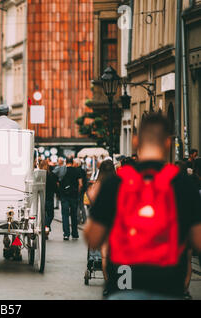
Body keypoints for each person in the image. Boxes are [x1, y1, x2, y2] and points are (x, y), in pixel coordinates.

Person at [84, 113, 201, 300]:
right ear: (168, 143)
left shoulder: (116, 183)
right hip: (169, 286)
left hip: (124, 284)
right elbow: (198, 240)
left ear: (136, 141)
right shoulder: (183, 184)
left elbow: (94, 238)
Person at [85, 159, 116, 296]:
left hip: (103, 225)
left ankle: (108, 283)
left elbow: (89, 200)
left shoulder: (97, 185)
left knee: (104, 256)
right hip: (119, 225)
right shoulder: (120, 183)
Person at [59, 156, 83, 241]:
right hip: (74, 195)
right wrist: (77, 193)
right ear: (72, 162)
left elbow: (58, 182)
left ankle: (66, 234)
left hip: (64, 195)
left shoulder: (62, 170)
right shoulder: (77, 171)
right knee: (74, 215)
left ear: (66, 162)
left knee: (65, 215)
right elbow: (80, 184)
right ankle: (75, 234)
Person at [39, 160, 58, 240]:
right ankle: (46, 226)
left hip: (40, 198)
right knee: (50, 215)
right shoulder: (52, 175)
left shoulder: (38, 175)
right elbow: (55, 187)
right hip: (49, 198)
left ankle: (43, 228)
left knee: (41, 215)